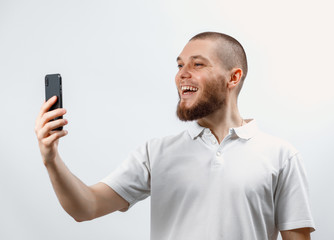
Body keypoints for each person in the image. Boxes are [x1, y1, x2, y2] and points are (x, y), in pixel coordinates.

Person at [35, 32, 315, 240]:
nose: (182, 74)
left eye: (197, 65)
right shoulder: (155, 153)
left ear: (233, 78)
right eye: (180, 65)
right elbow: (86, 207)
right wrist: (51, 159)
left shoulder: (281, 156)